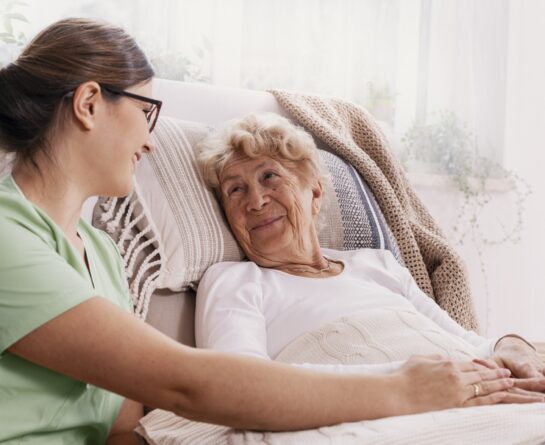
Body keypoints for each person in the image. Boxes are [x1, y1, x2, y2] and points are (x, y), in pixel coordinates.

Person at [0, 18, 535, 445]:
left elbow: (121, 427)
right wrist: (402, 388)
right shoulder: (7, 237)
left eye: (272, 179)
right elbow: (185, 383)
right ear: (90, 104)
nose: (152, 140)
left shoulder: (101, 256)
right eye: (148, 112)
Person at [195, 112, 545, 395]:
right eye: (235, 190)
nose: (255, 201)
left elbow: (465, 343)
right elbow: (240, 387)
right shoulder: (235, 281)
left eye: (269, 177)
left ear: (314, 191)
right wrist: (413, 383)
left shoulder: (378, 264)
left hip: (475, 395)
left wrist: (512, 344)